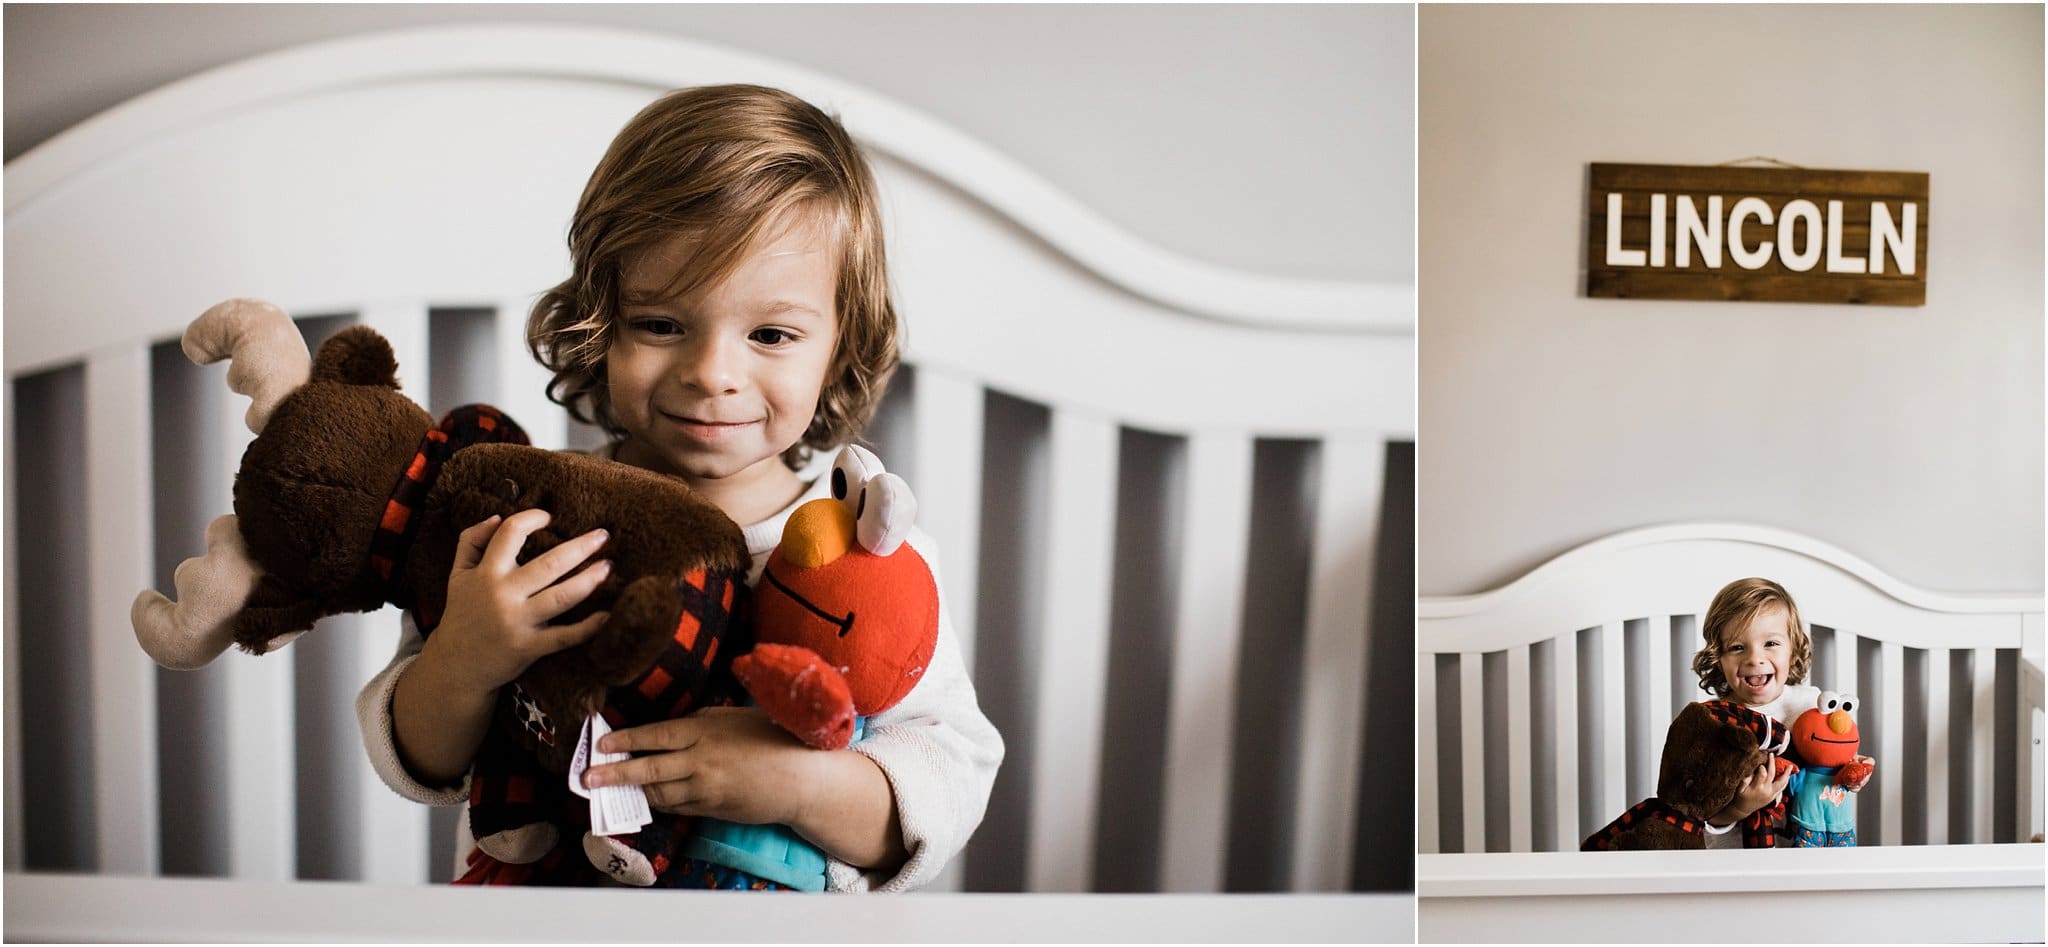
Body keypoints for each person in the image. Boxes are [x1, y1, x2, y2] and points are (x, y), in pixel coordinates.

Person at [355, 84, 1003, 891]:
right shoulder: (541, 519)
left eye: (770, 334)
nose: (711, 375)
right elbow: (421, 757)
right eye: (662, 324)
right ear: (600, 321)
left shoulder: (870, 555)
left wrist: (803, 784)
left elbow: (950, 772)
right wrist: (467, 655)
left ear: (839, 348)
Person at [1685, 576, 1870, 847]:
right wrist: (1740, 808)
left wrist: (1850, 772)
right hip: (1735, 867)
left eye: (1770, 643)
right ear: (1718, 657)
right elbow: (1699, 814)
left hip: (1810, 856)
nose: (1754, 658)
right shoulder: (1715, 721)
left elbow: (1830, 763)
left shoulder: (1811, 704)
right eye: (1737, 647)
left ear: (1792, 648)